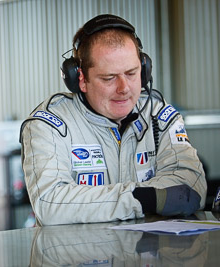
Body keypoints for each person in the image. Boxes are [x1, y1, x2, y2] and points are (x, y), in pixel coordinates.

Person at [20, 14, 207, 226]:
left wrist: (93, 201)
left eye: (132, 73)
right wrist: (145, 199)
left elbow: (191, 186)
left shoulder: (158, 114)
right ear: (80, 79)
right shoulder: (48, 125)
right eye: (109, 78)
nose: (124, 88)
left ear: (144, 71)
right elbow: (51, 204)